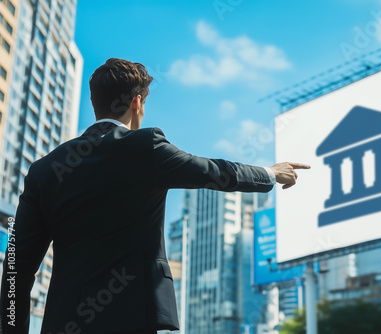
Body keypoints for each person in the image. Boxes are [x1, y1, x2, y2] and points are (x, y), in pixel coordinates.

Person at [0, 58, 310, 334]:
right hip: (132, 318)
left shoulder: (43, 170)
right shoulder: (145, 147)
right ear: (137, 103)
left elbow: (16, 265)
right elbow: (213, 171)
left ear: (94, 101)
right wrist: (269, 173)